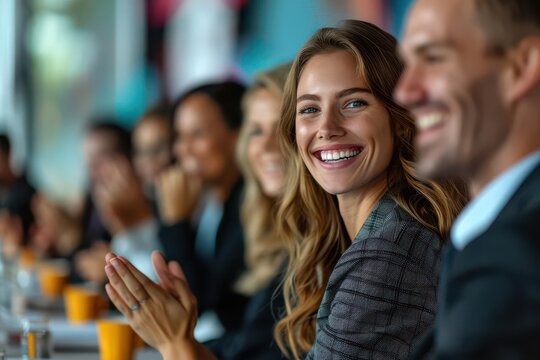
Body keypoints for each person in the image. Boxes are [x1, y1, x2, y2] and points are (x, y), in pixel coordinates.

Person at [273, 20, 467, 359]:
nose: (327, 127)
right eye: (310, 109)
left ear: (400, 118)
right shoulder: (381, 235)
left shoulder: (391, 251)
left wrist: (178, 346)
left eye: (354, 103)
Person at [102, 64, 292, 359]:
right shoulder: (210, 200)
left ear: (235, 138)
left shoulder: (251, 206)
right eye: (179, 137)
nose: (181, 150)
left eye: (197, 134)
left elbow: (200, 301)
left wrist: (174, 223)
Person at [394, 0, 540, 358]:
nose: (404, 92)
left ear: (521, 68)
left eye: (433, 57)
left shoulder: (517, 254)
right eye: (406, 64)